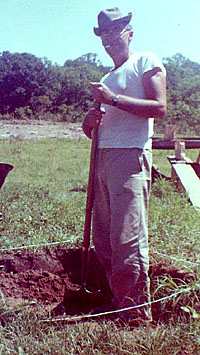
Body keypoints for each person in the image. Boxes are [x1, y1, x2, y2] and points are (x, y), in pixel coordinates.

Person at [82, 7, 166, 326]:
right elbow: (97, 127)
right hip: (103, 157)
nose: (110, 39)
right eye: (104, 34)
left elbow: (159, 107)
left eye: (116, 32)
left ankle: (134, 314)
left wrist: (113, 99)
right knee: (103, 237)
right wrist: (88, 123)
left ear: (129, 33)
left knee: (127, 235)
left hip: (131, 156)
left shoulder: (145, 61)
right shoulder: (105, 79)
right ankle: (114, 298)